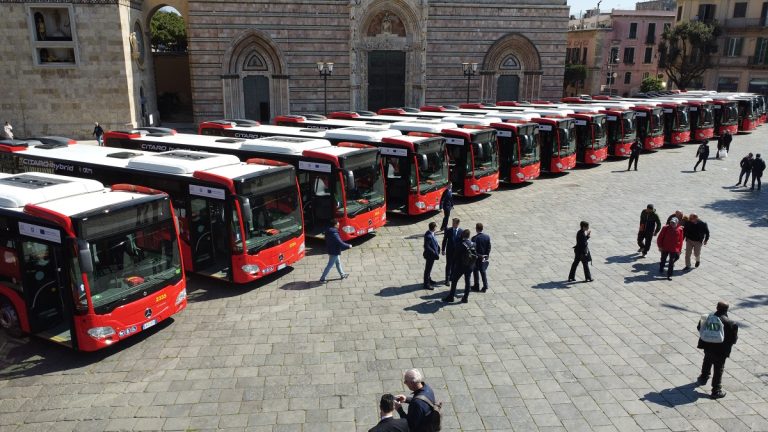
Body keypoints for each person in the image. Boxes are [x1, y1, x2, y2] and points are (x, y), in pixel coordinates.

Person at [697, 301, 739, 399]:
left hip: (708, 345)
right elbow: (734, 339)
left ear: (717, 307)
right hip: (721, 350)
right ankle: (716, 390)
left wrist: (709, 336)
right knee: (718, 368)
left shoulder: (707, 318)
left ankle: (703, 377)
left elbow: (699, 327)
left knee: (707, 360)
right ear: (726, 310)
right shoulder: (731, 323)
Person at [443, 229, 474, 303]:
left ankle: (451, 297)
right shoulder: (473, 244)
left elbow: (455, 256)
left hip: (460, 266)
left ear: (462, 235)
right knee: (468, 281)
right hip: (469, 266)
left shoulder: (460, 244)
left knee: (454, 280)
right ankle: (465, 298)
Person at [471, 223, 491, 292]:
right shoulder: (487, 237)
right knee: (483, 271)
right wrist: (486, 255)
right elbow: (489, 247)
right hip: (484, 257)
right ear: (482, 228)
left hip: (477, 258)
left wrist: (479, 255)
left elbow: (473, 250)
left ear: (476, 229)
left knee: (475, 271)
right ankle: (485, 286)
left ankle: (476, 285)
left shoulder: (474, 238)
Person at [441, 218, 461, 286]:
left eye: (454, 223)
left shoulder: (461, 231)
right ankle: (447, 280)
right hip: (449, 251)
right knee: (448, 265)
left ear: (457, 224)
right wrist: (443, 249)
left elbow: (462, 242)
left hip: (457, 252)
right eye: (452, 223)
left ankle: (452, 277)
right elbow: (444, 240)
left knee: (454, 265)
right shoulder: (449, 230)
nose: (452, 224)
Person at [422, 222, 439, 290]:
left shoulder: (432, 233)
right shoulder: (428, 236)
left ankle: (429, 279)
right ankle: (426, 284)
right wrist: (434, 252)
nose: (436, 228)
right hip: (430, 255)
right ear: (434, 228)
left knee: (429, 268)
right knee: (428, 269)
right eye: (435, 227)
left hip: (432, 255)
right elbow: (427, 246)